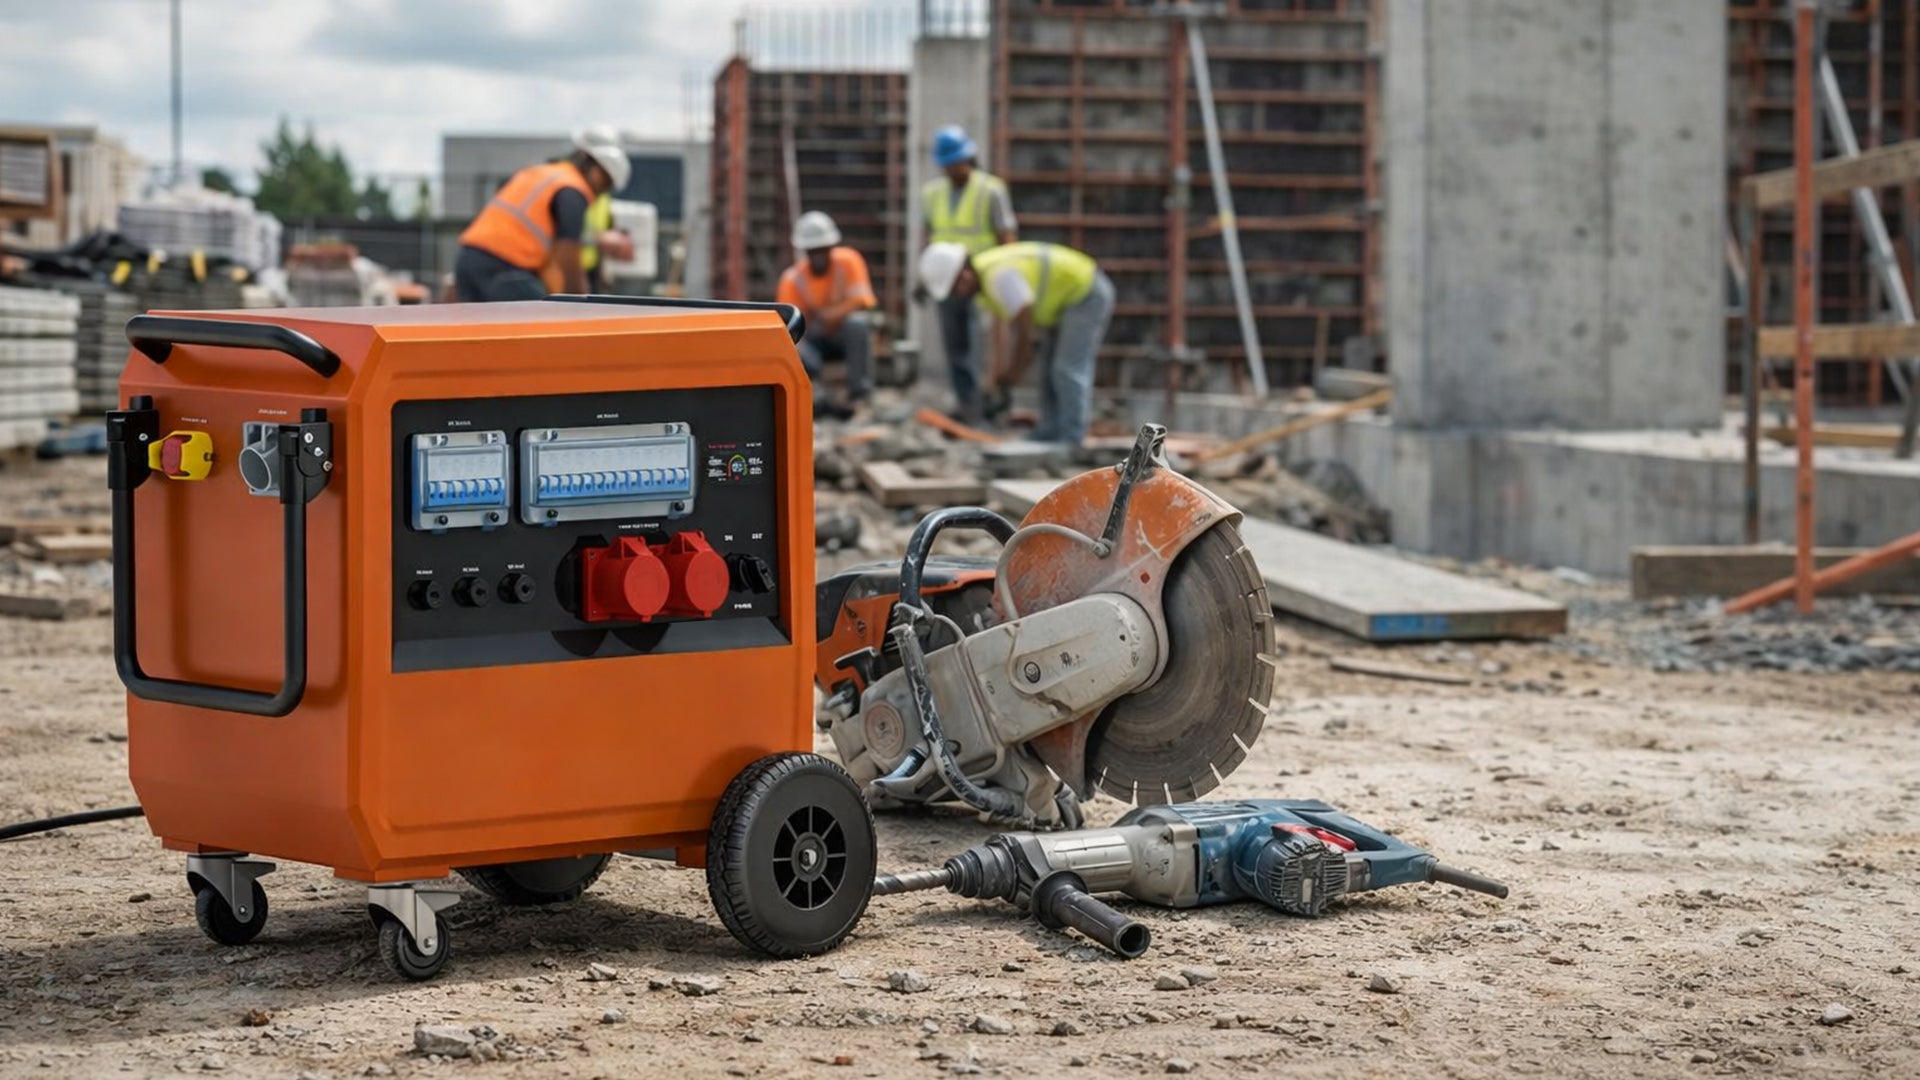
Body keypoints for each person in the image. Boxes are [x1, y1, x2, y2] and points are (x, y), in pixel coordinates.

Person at [918, 240, 1113, 447]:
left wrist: (1012, 374)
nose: (958, 295)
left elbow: (1025, 336)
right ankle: (1049, 431)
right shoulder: (986, 280)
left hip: (1084, 293)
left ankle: (1072, 438)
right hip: (1065, 301)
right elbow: (1006, 330)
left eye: (955, 288)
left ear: (964, 275)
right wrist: (1000, 375)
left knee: (1067, 369)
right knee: (1050, 370)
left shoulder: (999, 278)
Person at [454, 128, 630, 302]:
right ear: (595, 168)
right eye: (606, 182)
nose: (603, 190)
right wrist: (580, 303)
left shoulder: (541, 173)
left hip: (467, 260)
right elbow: (568, 257)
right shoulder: (573, 191)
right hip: (505, 268)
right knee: (545, 325)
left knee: (487, 329)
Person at [920, 124, 1016, 421]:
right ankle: (967, 402)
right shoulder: (932, 193)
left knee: (980, 344)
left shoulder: (991, 190)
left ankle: (987, 399)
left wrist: (1005, 275)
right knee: (955, 345)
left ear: (969, 158)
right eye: (947, 164)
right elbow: (928, 235)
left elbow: (1006, 236)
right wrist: (923, 276)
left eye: (956, 163)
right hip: (946, 281)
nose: (952, 169)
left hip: (981, 281)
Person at [776, 210, 877, 410]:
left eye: (823, 249)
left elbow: (864, 300)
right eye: (813, 251)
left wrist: (831, 316)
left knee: (857, 324)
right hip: (813, 338)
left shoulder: (848, 262)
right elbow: (787, 327)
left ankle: (860, 394)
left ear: (832, 246)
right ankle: (812, 397)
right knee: (791, 346)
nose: (819, 256)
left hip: (841, 333)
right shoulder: (792, 279)